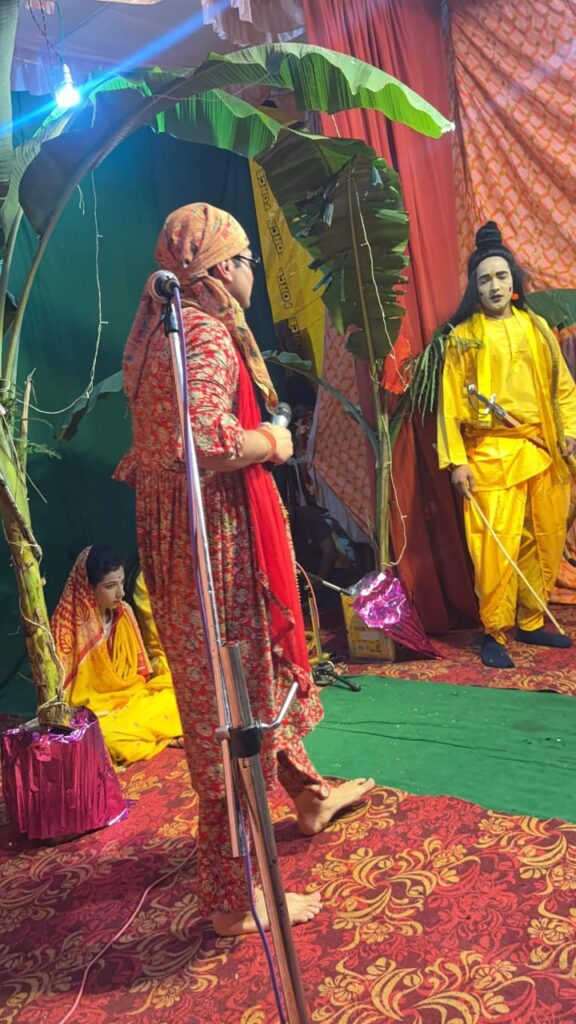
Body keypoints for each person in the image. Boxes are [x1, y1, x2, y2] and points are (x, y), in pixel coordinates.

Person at [115, 202, 374, 936]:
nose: (252, 273)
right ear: (223, 268)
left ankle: (308, 796)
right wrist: (272, 441)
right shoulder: (201, 331)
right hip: (214, 540)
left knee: (247, 683)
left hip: (185, 535)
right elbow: (206, 440)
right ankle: (233, 899)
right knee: (235, 710)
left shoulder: (159, 332)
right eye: (249, 260)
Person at [437, 221, 576, 669]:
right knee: (494, 549)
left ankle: (531, 620)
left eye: (500, 276)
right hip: (490, 456)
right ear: (475, 288)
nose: (494, 286)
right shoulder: (463, 337)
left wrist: (570, 432)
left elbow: (563, 388)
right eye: (484, 279)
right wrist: (457, 462)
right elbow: (449, 405)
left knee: (543, 539)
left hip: (540, 449)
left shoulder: (537, 327)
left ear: (513, 280)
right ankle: (495, 630)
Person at [51, 545, 183, 764]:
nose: (121, 593)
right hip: (96, 712)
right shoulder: (65, 629)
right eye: (110, 586)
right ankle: (158, 734)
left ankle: (147, 734)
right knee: (107, 739)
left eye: (121, 583)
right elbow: (67, 698)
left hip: (130, 698)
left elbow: (139, 675)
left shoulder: (123, 613)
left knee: (176, 696)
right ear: (88, 588)